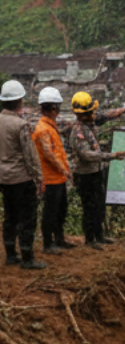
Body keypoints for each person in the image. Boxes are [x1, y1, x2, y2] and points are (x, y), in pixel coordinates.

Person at [68, 92, 125, 250]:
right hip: (85, 174)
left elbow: (106, 115)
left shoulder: (89, 123)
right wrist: (111, 156)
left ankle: (99, 235)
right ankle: (90, 239)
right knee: (89, 207)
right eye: (91, 112)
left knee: (98, 205)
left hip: (95, 172)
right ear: (84, 115)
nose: (94, 115)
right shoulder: (78, 131)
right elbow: (86, 154)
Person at [0, 80, 46, 270]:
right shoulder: (20, 125)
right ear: (19, 101)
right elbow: (30, 155)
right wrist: (39, 178)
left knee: (10, 215)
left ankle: (11, 254)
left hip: (3, 178)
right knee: (27, 217)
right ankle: (27, 257)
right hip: (21, 178)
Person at [32, 88, 74, 254]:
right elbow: (49, 154)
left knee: (60, 209)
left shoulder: (49, 127)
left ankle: (59, 238)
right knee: (50, 212)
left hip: (58, 178)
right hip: (50, 179)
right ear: (54, 109)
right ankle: (48, 244)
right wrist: (65, 170)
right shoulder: (43, 129)